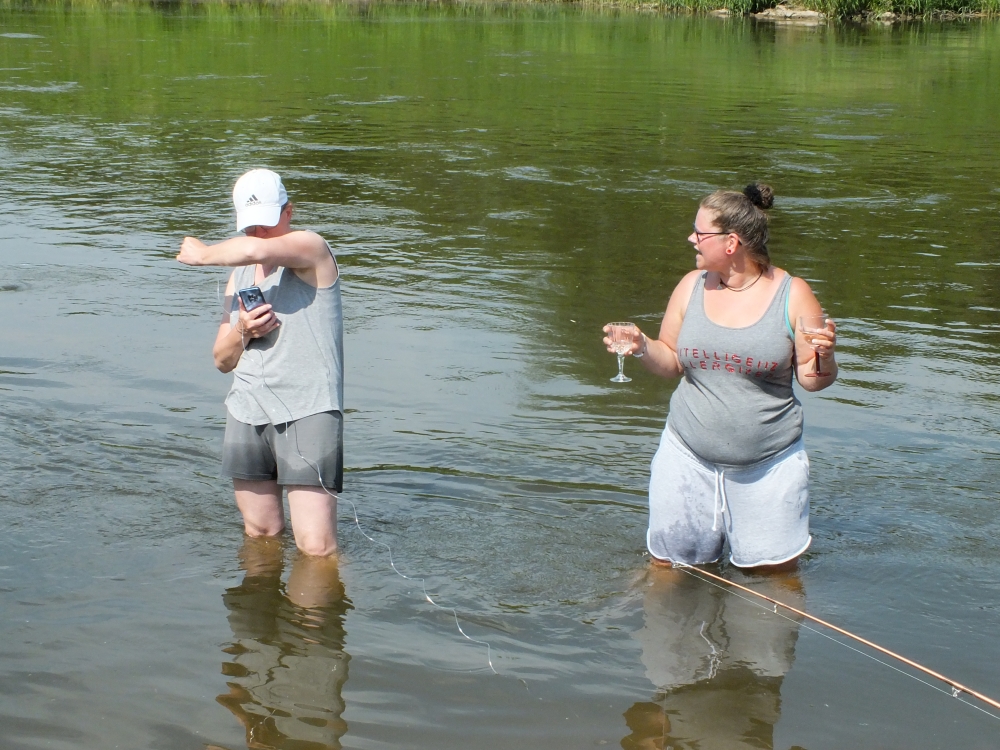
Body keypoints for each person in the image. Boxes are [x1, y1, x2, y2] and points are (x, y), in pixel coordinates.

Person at [604, 183, 836, 571]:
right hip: (686, 457)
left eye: (700, 232)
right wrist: (642, 346)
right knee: (669, 570)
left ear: (731, 243)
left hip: (768, 467)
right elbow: (672, 362)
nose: (690, 238)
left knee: (773, 580)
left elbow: (813, 380)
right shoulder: (690, 286)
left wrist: (825, 357)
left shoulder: (793, 294)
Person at [177, 168, 343, 556]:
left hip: (308, 410)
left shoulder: (312, 249)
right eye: (252, 224)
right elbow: (222, 360)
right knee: (260, 533)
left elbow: (254, 250)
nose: (261, 232)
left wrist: (202, 255)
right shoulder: (240, 274)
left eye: (268, 221)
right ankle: (261, 595)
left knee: (316, 547)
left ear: (289, 211)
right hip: (248, 410)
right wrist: (244, 330)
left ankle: (332, 595)